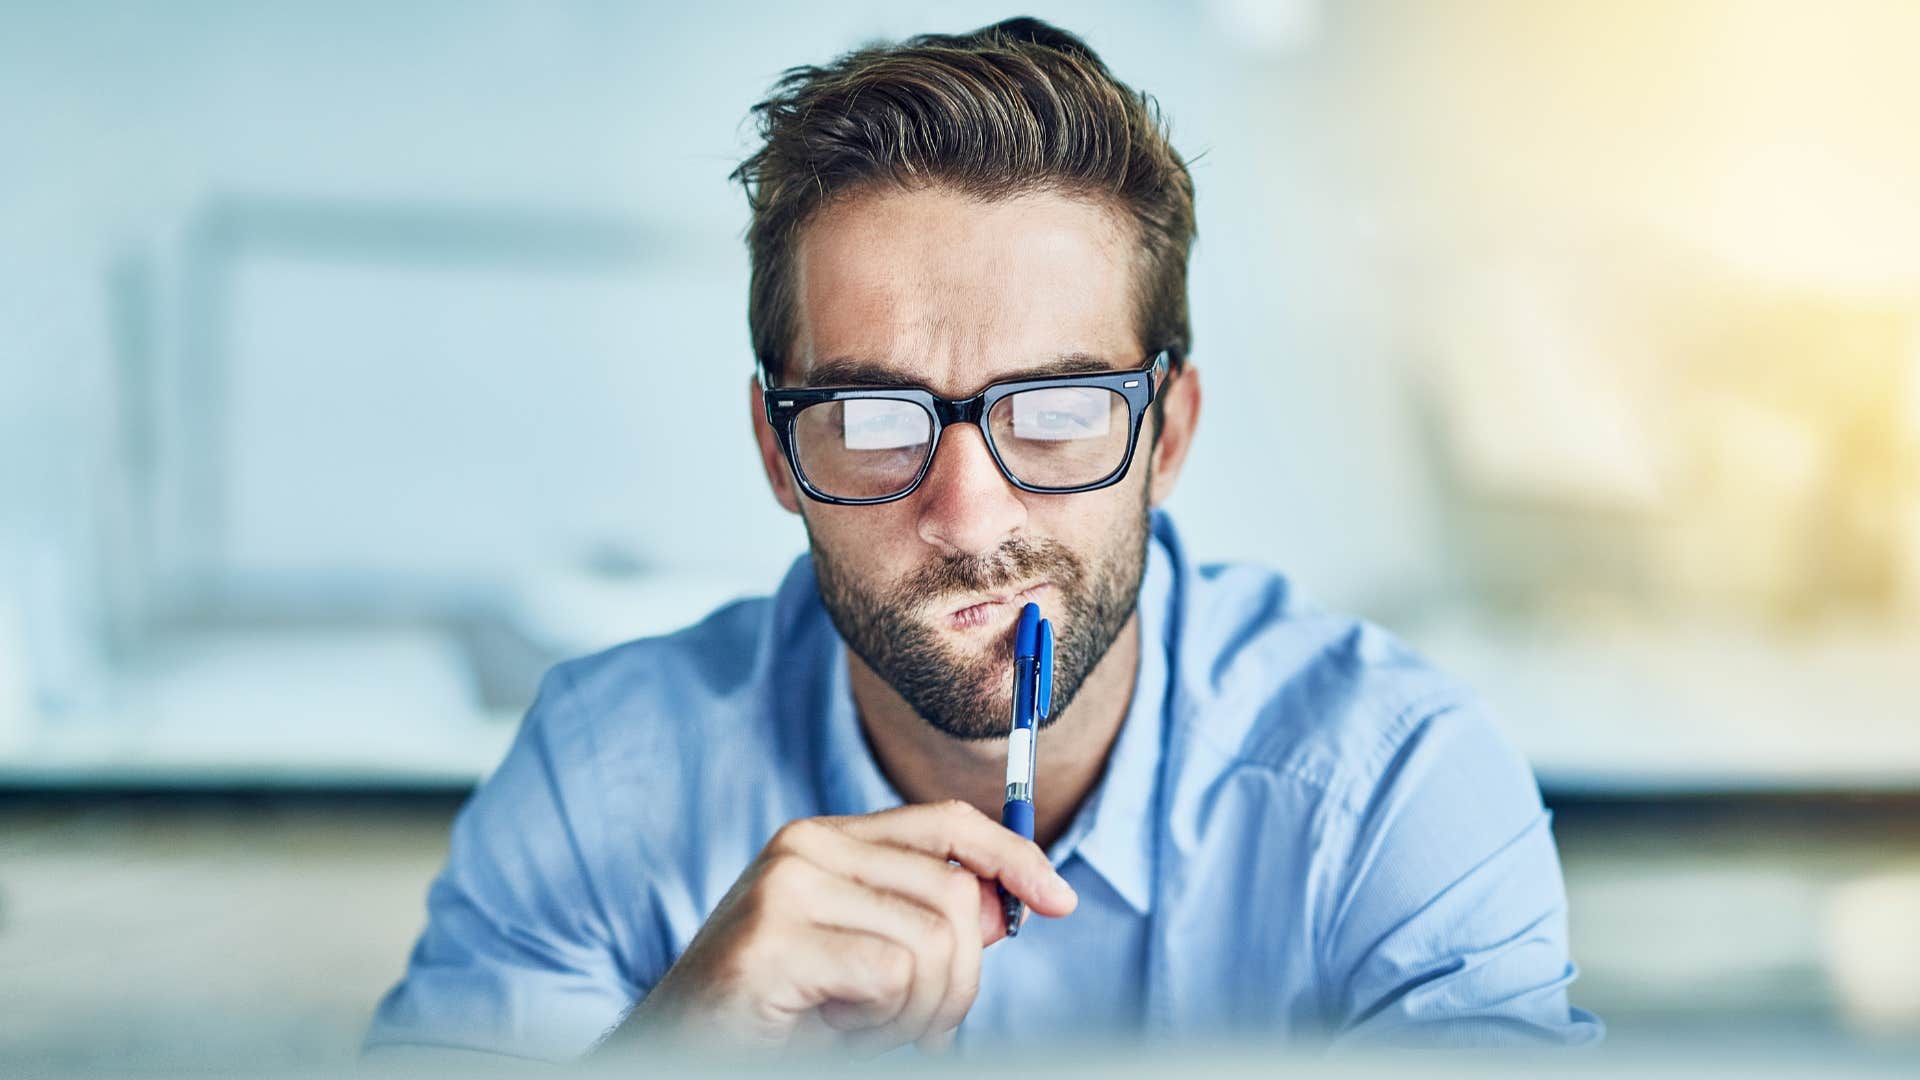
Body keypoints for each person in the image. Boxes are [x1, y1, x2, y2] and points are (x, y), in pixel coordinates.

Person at [365, 16, 1601, 1063]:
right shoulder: (602, 777)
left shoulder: (1390, 787)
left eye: (1057, 413)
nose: (968, 518)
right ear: (777, 450)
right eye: (872, 418)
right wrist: (675, 1048)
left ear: (1167, 436)